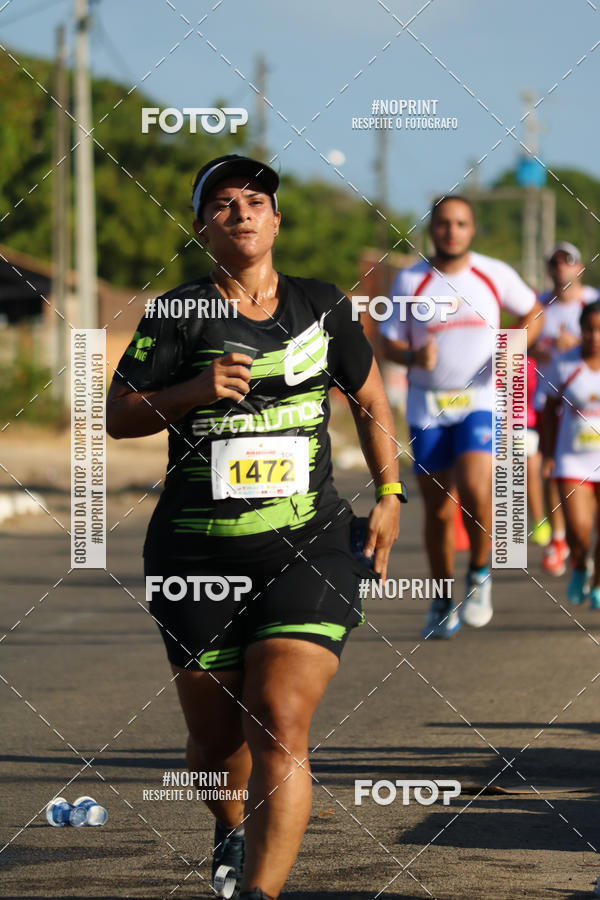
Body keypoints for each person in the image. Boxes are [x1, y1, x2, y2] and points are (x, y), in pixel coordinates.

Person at [106, 154, 405, 900]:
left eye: (255, 200)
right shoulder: (179, 313)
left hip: (309, 541)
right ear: (204, 225)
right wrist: (193, 389)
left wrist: (392, 492)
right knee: (215, 743)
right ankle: (232, 826)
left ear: (277, 219)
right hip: (196, 547)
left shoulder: (323, 306)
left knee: (279, 721)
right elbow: (118, 415)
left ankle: (261, 894)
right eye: (223, 202)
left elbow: (369, 399)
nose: (241, 211)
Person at [380, 195, 543, 638]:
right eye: (444, 224)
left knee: (475, 486)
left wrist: (515, 343)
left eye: (461, 223)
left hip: (481, 399)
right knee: (436, 513)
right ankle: (441, 599)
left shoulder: (493, 274)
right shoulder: (410, 280)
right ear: (432, 229)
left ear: (472, 229)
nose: (452, 231)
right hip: (428, 405)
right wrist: (413, 354)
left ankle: (480, 574)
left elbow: (533, 310)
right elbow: (386, 343)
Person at [531, 242, 599, 575]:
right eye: (554, 263)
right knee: (547, 466)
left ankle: (578, 547)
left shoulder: (592, 303)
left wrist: (576, 346)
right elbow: (518, 338)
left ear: (579, 269)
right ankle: (559, 537)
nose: (560, 269)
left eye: (567, 262)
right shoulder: (539, 304)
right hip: (547, 396)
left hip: (588, 400)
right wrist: (535, 348)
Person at [542, 300, 600, 609]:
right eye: (589, 329)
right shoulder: (564, 364)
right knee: (578, 531)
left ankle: (599, 584)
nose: (594, 337)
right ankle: (579, 564)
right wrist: (548, 452)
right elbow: (549, 409)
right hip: (573, 460)